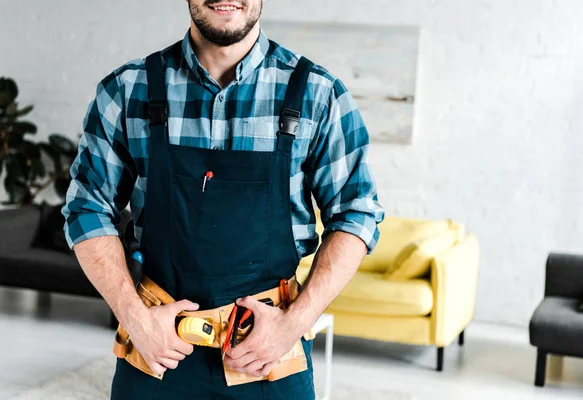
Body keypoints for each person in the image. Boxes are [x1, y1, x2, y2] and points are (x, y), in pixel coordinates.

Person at [62, 0, 385, 398]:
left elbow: (356, 214)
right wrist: (135, 318)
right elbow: (86, 208)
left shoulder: (320, 96)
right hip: (157, 351)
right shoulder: (127, 91)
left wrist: (293, 325)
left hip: (269, 356)